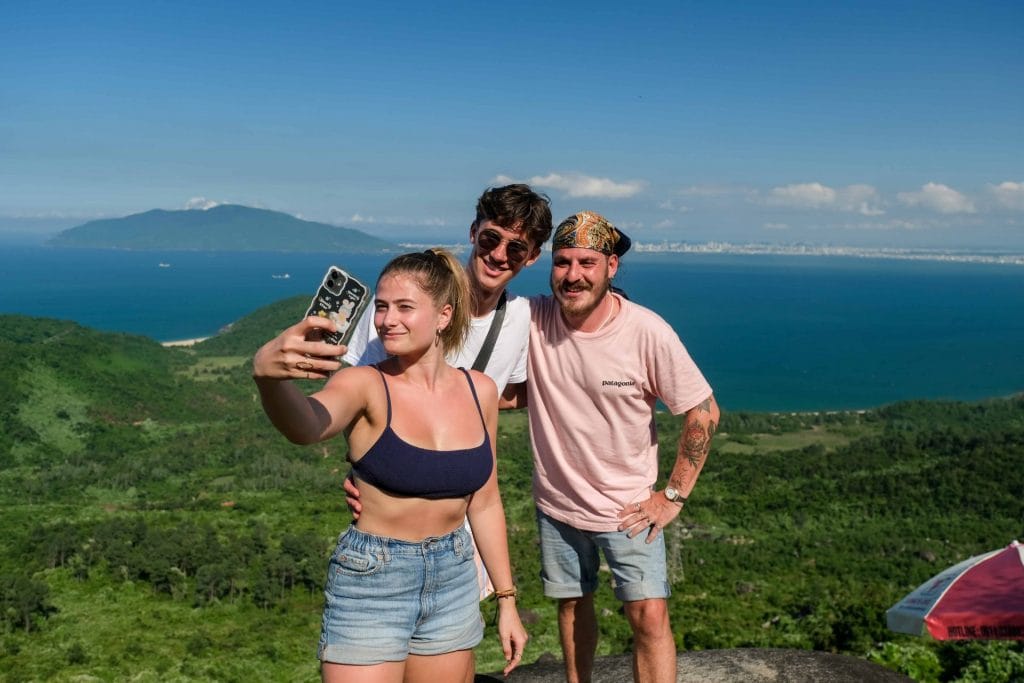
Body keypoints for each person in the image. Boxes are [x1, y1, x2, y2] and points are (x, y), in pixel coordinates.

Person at [252, 248, 528, 682]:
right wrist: (269, 379)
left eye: (404, 307)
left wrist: (507, 601)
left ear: (443, 315)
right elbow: (306, 426)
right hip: (374, 578)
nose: (386, 319)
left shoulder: (481, 391)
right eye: (381, 306)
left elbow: (486, 502)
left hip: (455, 573)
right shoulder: (363, 383)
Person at [506, 211, 721, 683]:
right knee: (572, 609)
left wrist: (672, 497)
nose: (573, 274)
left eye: (587, 262)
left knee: (649, 617)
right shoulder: (536, 317)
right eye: (563, 263)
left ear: (611, 267)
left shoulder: (646, 331)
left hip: (628, 509)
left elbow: (703, 411)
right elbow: (477, 310)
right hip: (558, 505)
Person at [343, 183, 553, 598]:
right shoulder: (403, 302)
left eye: (516, 248)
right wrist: (359, 468)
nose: (498, 255)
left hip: (464, 522)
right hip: (391, 516)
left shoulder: (522, 320)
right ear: (474, 231)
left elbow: (511, 392)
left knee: (452, 645)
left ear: (531, 258)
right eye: (492, 238)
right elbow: (357, 392)